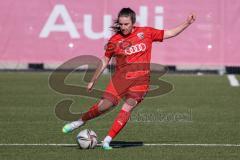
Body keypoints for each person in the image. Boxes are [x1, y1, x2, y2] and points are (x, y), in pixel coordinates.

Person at [62, 7, 196, 150]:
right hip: (120, 79)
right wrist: (93, 79)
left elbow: (170, 33)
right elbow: (105, 60)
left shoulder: (146, 33)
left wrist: (186, 23)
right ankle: (79, 122)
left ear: (133, 23)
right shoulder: (115, 40)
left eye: (126, 24)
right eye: (121, 24)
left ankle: (107, 140)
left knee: (127, 107)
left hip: (141, 81)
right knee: (105, 106)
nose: (123, 27)